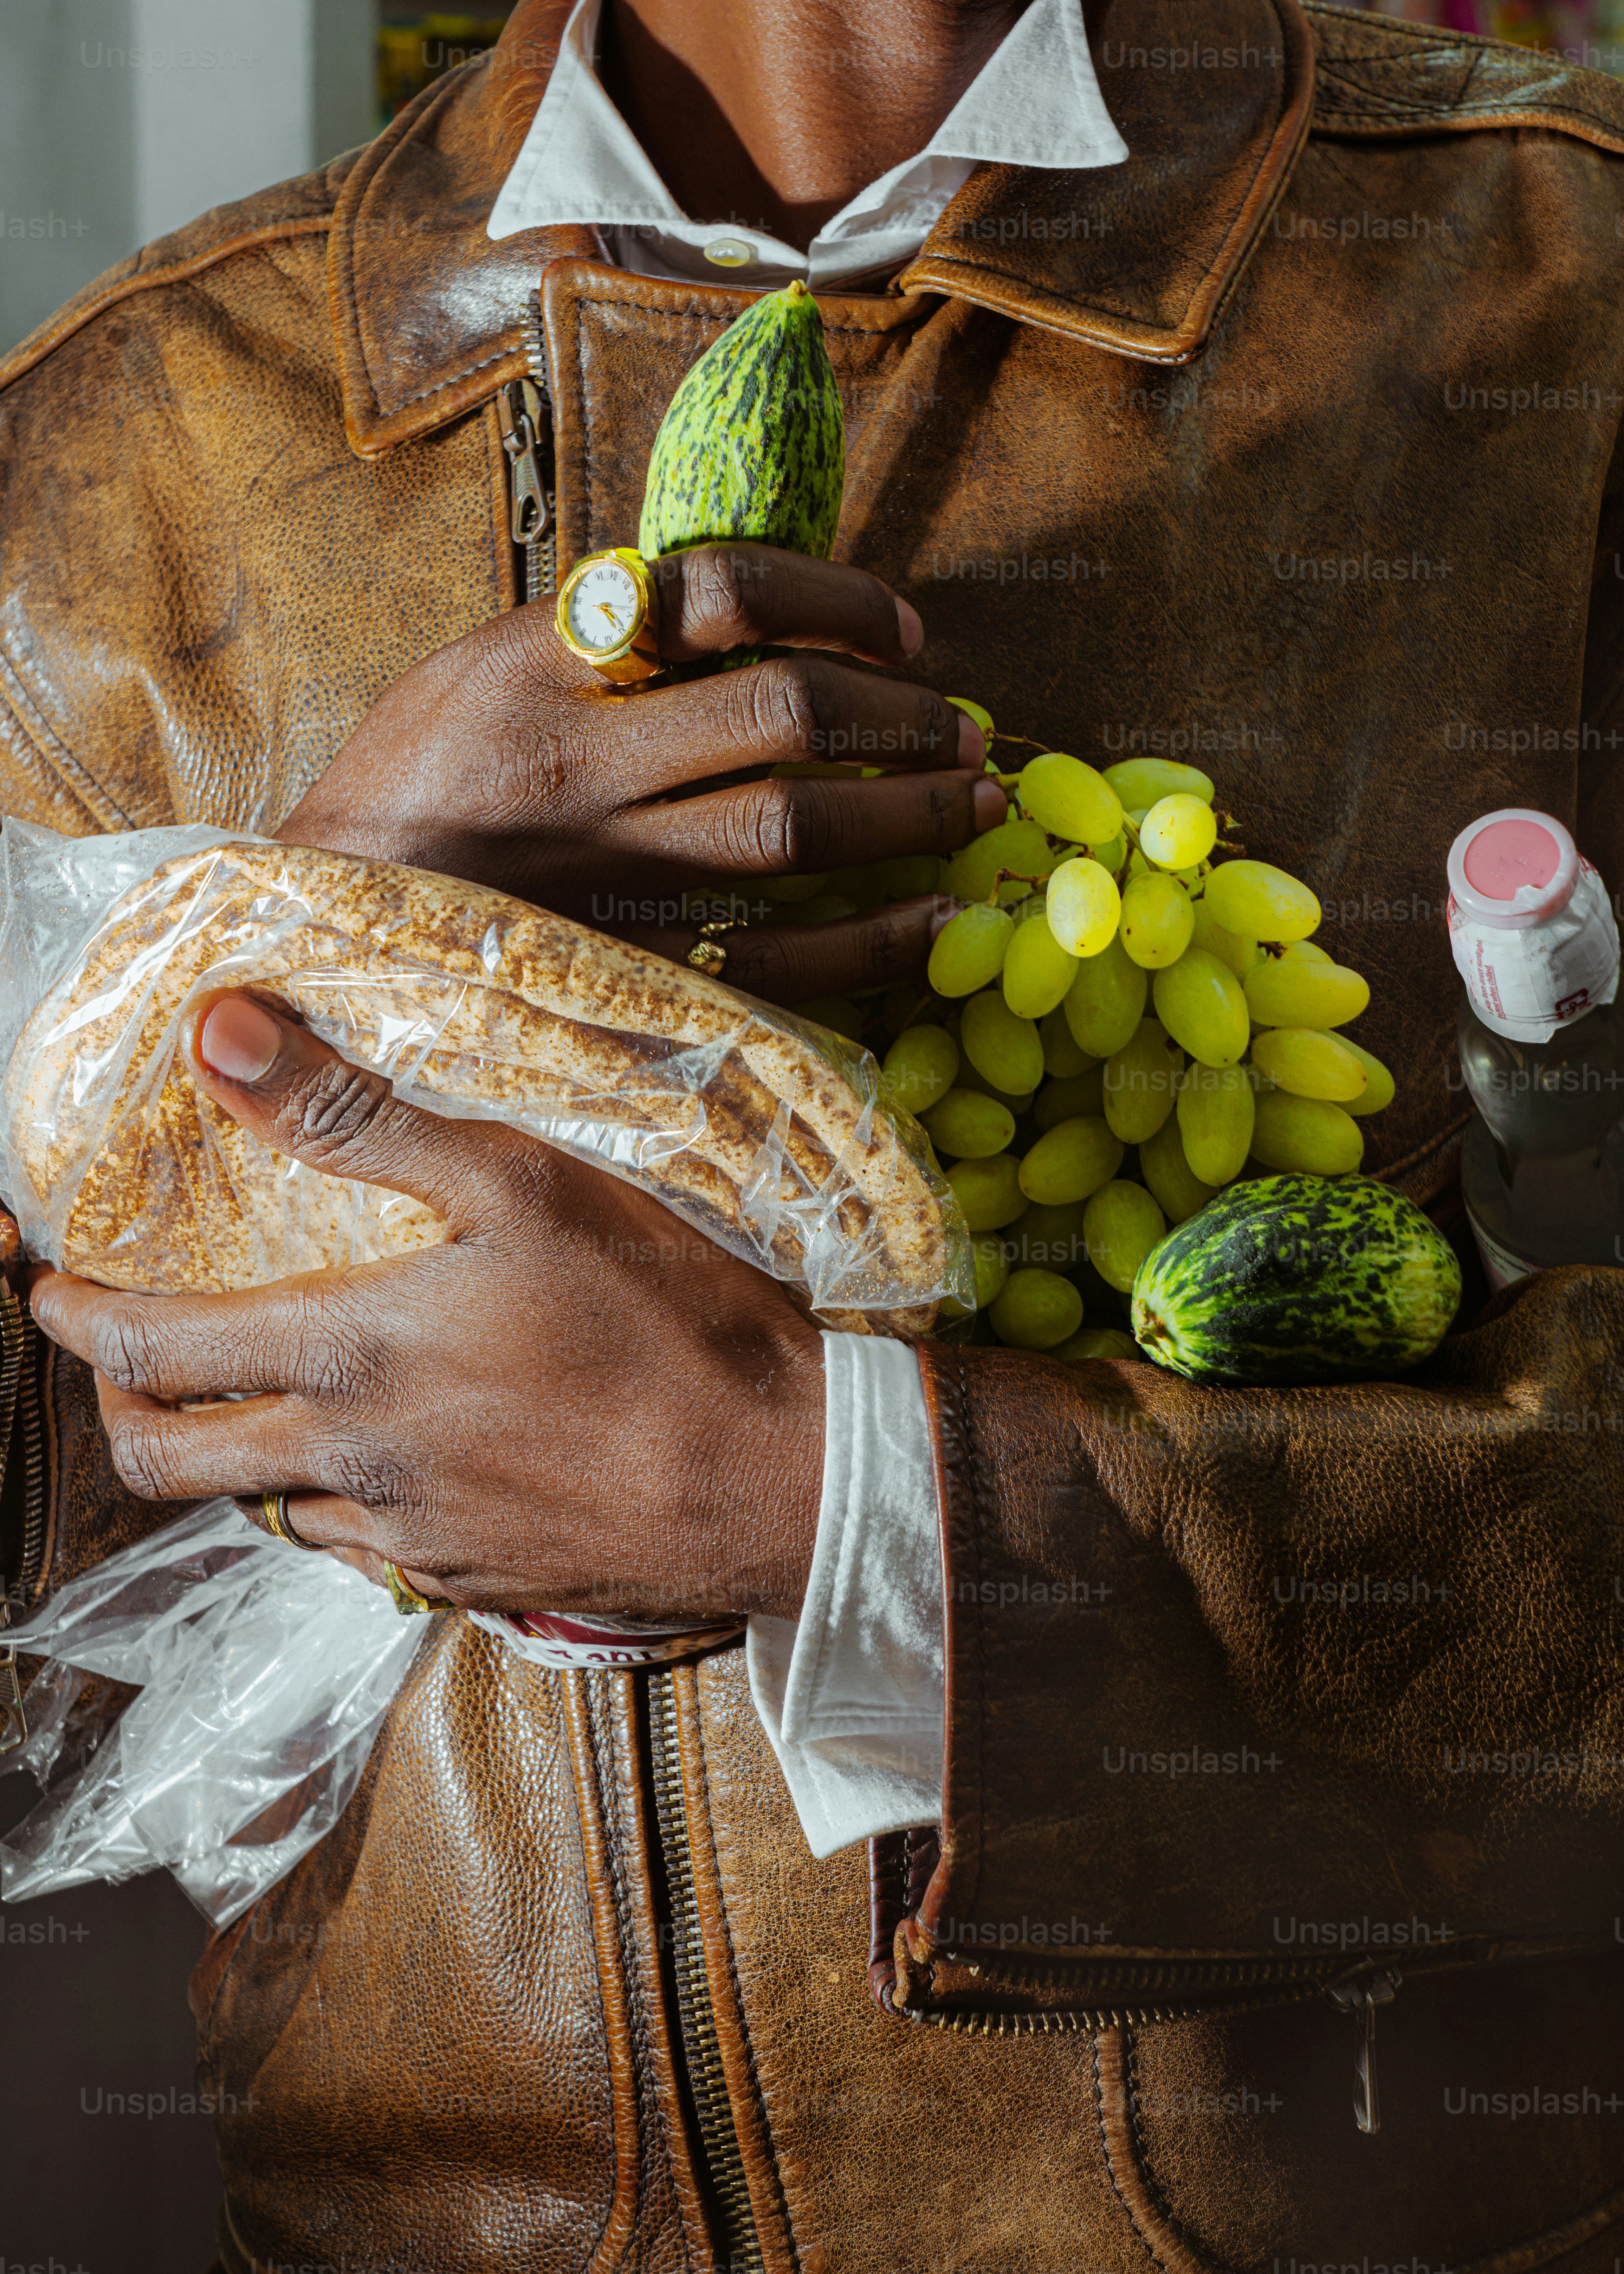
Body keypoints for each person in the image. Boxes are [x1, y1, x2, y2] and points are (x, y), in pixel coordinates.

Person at [2, 0, 1622, 2264]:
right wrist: (299, 935)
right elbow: (51, 1644)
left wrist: (840, 1495)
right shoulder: (118, 454)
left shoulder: (1562, 284)